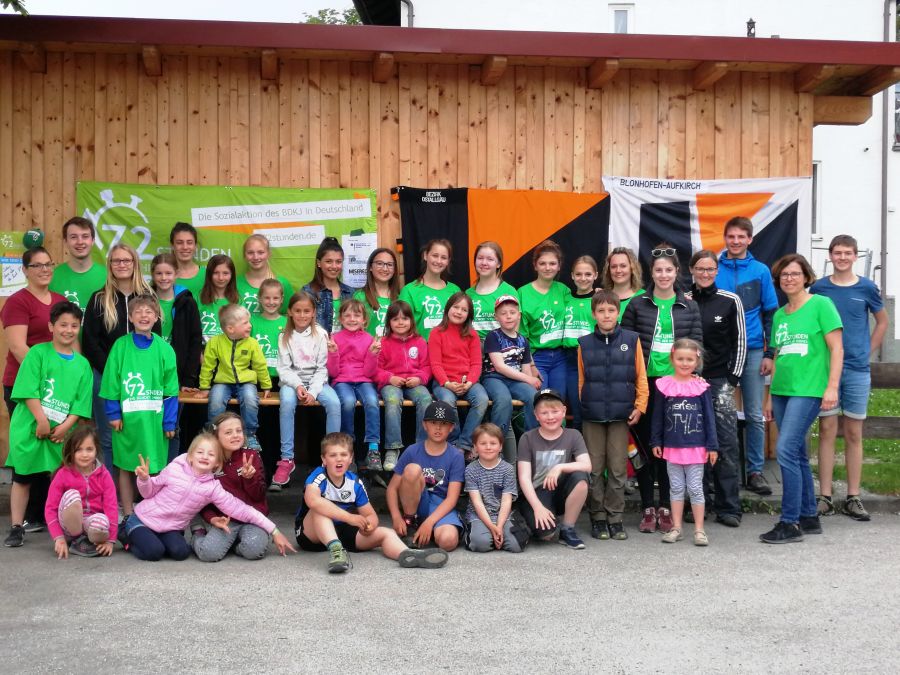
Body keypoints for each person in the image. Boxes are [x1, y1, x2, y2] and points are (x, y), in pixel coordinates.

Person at [760, 254, 843, 545]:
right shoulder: (780, 315)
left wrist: (832, 387)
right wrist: (769, 397)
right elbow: (778, 357)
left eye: (795, 273)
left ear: (806, 276)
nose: (789, 279)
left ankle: (790, 522)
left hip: (808, 389)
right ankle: (808, 516)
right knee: (795, 453)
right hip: (782, 390)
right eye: (784, 275)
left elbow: (837, 349)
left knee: (784, 449)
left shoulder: (821, 304)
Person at [621, 244, 702, 534]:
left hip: (676, 386)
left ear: (677, 272)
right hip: (645, 384)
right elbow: (625, 345)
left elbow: (696, 345)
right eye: (659, 270)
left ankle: (666, 505)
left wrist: (692, 381)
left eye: (669, 270)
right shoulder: (637, 304)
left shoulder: (689, 306)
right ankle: (647, 506)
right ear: (651, 273)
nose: (664, 275)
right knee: (644, 446)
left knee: (670, 448)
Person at [122, 433, 295, 561]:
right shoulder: (174, 469)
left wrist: (274, 531)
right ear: (190, 456)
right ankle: (126, 535)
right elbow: (148, 492)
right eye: (200, 452)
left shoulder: (212, 488)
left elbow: (242, 509)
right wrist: (144, 479)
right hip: (144, 519)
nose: (205, 456)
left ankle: (153, 540)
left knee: (181, 553)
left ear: (217, 463)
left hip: (170, 527)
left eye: (211, 454)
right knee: (154, 552)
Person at [4, 301, 93, 548]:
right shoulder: (37, 353)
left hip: (61, 431)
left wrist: (65, 427)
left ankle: (68, 527)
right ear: (51, 326)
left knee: (61, 479)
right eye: (63, 325)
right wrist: (41, 420)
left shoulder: (82, 364)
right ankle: (16, 526)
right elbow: (28, 389)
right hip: (31, 427)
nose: (68, 330)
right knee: (22, 477)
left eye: (74, 325)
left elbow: (81, 403)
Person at [811, 235, 888, 521]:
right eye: (837, 253)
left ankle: (853, 497)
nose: (842, 257)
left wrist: (867, 350)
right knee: (827, 430)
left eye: (847, 253)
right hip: (826, 370)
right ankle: (825, 496)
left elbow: (882, 322)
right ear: (830, 255)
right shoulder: (819, 288)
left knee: (854, 433)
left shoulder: (867, 287)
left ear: (856, 256)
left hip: (856, 370)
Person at [296, 432, 449, 573]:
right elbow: (312, 500)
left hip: (342, 531)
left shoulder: (355, 483)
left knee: (386, 533)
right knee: (320, 509)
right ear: (324, 459)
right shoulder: (319, 476)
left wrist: (369, 526)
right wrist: (350, 518)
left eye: (343, 454)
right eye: (333, 455)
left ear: (351, 458)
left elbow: (371, 515)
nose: (339, 459)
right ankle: (335, 550)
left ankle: (409, 555)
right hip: (311, 535)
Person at [1, 246, 66, 533]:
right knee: (29, 448)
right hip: (24, 385)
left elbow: (71, 343)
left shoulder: (60, 301)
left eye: (48, 264)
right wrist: (47, 377)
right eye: (37, 265)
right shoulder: (18, 302)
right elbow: (18, 347)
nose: (44, 269)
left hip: (57, 388)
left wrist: (67, 377)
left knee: (51, 445)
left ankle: (43, 513)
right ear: (25, 270)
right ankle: (27, 515)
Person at [100, 294, 179, 523]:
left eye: (149, 312)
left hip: (155, 422)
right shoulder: (120, 346)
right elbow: (111, 382)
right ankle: (127, 513)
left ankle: (152, 512)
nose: (144, 316)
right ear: (130, 317)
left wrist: (169, 421)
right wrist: (113, 413)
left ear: (156, 317)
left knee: (154, 468)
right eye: (138, 312)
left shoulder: (165, 349)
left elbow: (170, 389)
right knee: (126, 467)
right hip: (127, 422)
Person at [716, 216, 779, 496]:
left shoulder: (761, 270)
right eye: (731, 236)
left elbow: (770, 314)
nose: (736, 241)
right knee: (721, 413)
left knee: (754, 414)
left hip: (753, 349)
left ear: (750, 239)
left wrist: (769, 353)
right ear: (725, 238)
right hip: (722, 351)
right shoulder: (714, 268)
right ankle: (722, 469)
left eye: (741, 237)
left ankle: (755, 471)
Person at [578, 289, 648, 541]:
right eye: (601, 311)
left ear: (618, 312)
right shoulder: (584, 343)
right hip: (593, 415)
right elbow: (581, 380)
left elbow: (641, 376)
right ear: (593, 314)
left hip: (621, 415)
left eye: (611, 310)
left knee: (618, 468)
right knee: (595, 469)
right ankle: (597, 517)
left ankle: (615, 518)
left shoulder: (631, 339)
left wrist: (640, 405)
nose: (606, 315)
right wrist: (586, 405)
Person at [82, 243, 158, 470]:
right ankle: (110, 490)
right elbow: (90, 342)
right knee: (108, 436)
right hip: (105, 375)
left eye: (126, 260)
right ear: (110, 265)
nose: (122, 264)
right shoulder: (99, 298)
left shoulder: (148, 296)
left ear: (135, 263)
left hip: (140, 378)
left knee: (138, 434)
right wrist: (113, 370)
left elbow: (156, 339)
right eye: (116, 260)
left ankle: (139, 487)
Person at [687, 250, 747, 528]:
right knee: (694, 443)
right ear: (692, 270)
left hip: (720, 380)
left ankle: (729, 506)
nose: (705, 273)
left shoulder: (730, 300)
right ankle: (700, 502)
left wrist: (732, 379)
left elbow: (740, 341)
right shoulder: (683, 299)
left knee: (725, 443)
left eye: (710, 269)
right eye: (700, 268)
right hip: (690, 382)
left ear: (716, 271)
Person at [650, 339, 719, 546]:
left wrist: (712, 446)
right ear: (672, 359)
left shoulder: (701, 387)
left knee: (696, 488)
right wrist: (656, 441)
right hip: (672, 447)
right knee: (676, 488)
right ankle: (677, 527)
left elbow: (709, 418)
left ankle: (699, 530)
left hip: (696, 448)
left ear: (696, 361)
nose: (685, 363)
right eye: (680, 359)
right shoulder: (664, 385)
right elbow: (657, 417)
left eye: (689, 359)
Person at [272, 291, 341, 490]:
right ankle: (287, 459)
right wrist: (298, 386)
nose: (302, 315)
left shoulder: (320, 334)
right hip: (292, 382)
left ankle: (333, 457)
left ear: (313, 313)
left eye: (306, 311)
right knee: (287, 402)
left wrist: (312, 391)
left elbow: (322, 368)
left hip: (317, 382)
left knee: (334, 403)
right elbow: (284, 369)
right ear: (290, 312)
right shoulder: (284, 336)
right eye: (298, 311)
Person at [516, 389, 591, 550]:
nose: (550, 417)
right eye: (544, 413)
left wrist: (559, 467)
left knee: (581, 478)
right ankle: (536, 516)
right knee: (546, 535)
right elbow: (524, 478)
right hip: (536, 492)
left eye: (555, 411)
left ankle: (567, 529)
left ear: (563, 411)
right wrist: (537, 507)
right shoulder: (527, 438)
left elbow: (587, 465)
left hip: (559, 489)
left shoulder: (573, 435)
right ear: (536, 415)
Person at [386, 400, 465, 551]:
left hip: (440, 506)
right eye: (433, 422)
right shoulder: (412, 451)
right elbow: (391, 489)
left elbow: (452, 498)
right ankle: (411, 524)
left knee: (448, 541)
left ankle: (427, 530)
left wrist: (429, 522)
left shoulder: (456, 456)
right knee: (412, 469)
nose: (438, 428)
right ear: (424, 425)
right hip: (416, 504)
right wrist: (396, 517)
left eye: (444, 424)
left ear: (451, 427)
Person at [192, 412, 271, 562]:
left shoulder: (251, 455)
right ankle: (198, 533)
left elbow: (259, 496)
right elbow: (202, 499)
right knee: (208, 554)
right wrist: (212, 518)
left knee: (254, 550)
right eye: (228, 432)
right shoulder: (209, 459)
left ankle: (234, 546)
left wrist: (249, 479)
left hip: (253, 518)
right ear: (216, 436)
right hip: (226, 520)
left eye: (238, 431)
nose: (235, 435)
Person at [198, 303, 271, 451]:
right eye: (245, 323)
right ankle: (213, 433)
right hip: (223, 382)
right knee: (216, 399)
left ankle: (250, 434)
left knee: (250, 399)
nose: (250, 325)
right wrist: (204, 387)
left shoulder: (252, 343)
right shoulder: (215, 342)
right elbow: (207, 366)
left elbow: (260, 365)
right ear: (231, 328)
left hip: (246, 382)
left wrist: (266, 385)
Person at [151, 253, 202, 460]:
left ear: (176, 274)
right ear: (152, 274)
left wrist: (188, 379)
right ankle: (152, 471)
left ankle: (171, 470)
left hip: (177, 376)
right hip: (150, 374)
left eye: (168, 273)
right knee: (152, 425)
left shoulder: (186, 301)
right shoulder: (146, 300)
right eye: (159, 273)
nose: (164, 278)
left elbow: (195, 340)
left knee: (172, 425)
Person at [428, 292, 489, 459]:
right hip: (444, 382)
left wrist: (469, 382)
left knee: (482, 399)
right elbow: (436, 364)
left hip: (467, 381)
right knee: (448, 401)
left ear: (469, 314)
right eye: (456, 307)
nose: (459, 312)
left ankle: (464, 445)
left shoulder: (472, 334)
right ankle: (454, 442)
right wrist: (447, 383)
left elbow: (476, 364)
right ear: (448, 308)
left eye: (464, 310)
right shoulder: (436, 332)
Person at [376, 300, 433, 472]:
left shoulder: (420, 341)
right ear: (389, 322)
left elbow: (427, 367)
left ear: (411, 321)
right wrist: (389, 378)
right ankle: (392, 449)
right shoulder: (383, 343)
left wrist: (419, 378)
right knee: (393, 400)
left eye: (405, 318)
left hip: (414, 382)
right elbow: (375, 369)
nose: (400, 322)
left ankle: (422, 448)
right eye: (395, 319)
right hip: (391, 382)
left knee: (425, 399)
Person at [44, 425, 117, 558]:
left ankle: (85, 542)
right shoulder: (63, 474)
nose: (84, 455)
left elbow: (111, 507)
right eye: (78, 450)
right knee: (72, 495)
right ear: (71, 451)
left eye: (89, 449)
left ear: (96, 450)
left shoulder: (104, 474)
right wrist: (59, 538)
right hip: (68, 526)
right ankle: (74, 539)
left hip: (90, 523)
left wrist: (110, 541)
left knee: (102, 522)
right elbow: (50, 508)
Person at [481, 294, 541, 455]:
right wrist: (528, 378)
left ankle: (531, 441)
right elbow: (500, 367)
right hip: (494, 378)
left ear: (519, 315)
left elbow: (525, 368)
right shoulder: (493, 336)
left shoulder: (523, 340)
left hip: (515, 381)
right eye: (503, 313)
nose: (508, 316)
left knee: (533, 396)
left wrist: (531, 382)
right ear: (496, 317)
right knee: (503, 399)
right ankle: (496, 443)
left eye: (512, 312)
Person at [326, 298, 382, 471]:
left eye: (356, 315)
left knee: (372, 401)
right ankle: (348, 448)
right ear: (340, 319)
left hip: (364, 380)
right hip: (342, 380)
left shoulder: (369, 339)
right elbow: (333, 372)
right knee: (348, 402)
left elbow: (370, 372)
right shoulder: (335, 339)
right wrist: (333, 353)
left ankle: (373, 448)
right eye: (347, 315)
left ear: (364, 319)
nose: (352, 319)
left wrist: (372, 354)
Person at [518, 240, 571, 399]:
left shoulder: (564, 290)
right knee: (540, 400)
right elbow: (521, 336)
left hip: (561, 357)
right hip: (536, 357)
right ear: (535, 265)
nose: (548, 268)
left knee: (558, 400)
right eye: (542, 263)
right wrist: (531, 364)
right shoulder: (523, 293)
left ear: (559, 266)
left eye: (552, 263)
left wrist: (595, 295)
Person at [464, 423, 527, 553]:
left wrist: (499, 526)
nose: (488, 447)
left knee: (516, 546)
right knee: (481, 544)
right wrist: (493, 528)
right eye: (483, 443)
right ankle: (482, 534)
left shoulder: (507, 469)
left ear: (500, 446)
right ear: (475, 447)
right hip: (479, 515)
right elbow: (477, 502)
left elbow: (506, 501)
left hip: (503, 515)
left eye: (493, 443)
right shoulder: (470, 469)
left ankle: (497, 536)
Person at [562, 255, 600, 429]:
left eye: (588, 274)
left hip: (593, 358)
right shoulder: (565, 298)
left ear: (596, 275)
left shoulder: (599, 299)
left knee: (591, 406)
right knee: (575, 408)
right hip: (569, 359)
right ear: (572, 275)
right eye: (578, 274)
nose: (583, 278)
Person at [398, 238, 461, 340]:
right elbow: (401, 326)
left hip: (450, 348)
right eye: (435, 255)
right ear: (425, 255)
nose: (439, 261)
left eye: (443, 257)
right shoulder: (409, 291)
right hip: (420, 348)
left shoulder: (455, 291)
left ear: (448, 261)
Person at [49, 216, 106, 311]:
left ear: (93, 241)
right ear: (65, 242)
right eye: (73, 237)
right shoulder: (51, 277)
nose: (80, 242)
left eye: (85, 236)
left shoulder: (108, 277)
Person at [302, 236, 354, 335]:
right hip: (318, 344)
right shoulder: (308, 292)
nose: (334, 266)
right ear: (319, 263)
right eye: (329, 261)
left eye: (338, 262)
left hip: (345, 344)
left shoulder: (350, 292)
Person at [465, 241, 518, 339]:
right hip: (473, 346)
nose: (484, 263)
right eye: (480, 258)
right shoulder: (468, 294)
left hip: (501, 346)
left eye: (490, 259)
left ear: (498, 264)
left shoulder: (509, 291)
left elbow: (515, 328)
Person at [236, 234, 292, 314]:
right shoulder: (235, 283)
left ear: (269, 254)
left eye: (261, 252)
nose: (255, 257)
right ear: (244, 255)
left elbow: (289, 315)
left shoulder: (282, 283)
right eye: (250, 253)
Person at [354, 247, 401, 339]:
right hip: (368, 347)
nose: (385, 268)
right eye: (379, 263)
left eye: (390, 265)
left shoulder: (400, 297)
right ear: (370, 267)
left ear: (394, 269)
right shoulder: (360, 296)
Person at [250, 278, 288, 387]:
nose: (271, 302)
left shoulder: (288, 323)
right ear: (259, 298)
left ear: (282, 299)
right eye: (267, 298)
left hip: (281, 377)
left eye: (275, 298)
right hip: (257, 377)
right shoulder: (251, 322)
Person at [197, 254, 239, 344]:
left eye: (225, 273)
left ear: (232, 275)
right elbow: (192, 330)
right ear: (209, 274)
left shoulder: (238, 300)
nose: (221, 278)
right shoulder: (198, 298)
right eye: (216, 273)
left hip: (231, 350)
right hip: (204, 349)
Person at [601, 246, 645, 321]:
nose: (618, 270)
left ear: (632, 269)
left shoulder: (644, 297)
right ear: (608, 270)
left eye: (623, 266)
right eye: (613, 266)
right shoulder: (601, 297)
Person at [169, 221, 206, 300]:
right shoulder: (164, 277)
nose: (185, 247)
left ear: (195, 246)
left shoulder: (207, 275)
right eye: (179, 243)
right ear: (172, 246)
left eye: (189, 242)